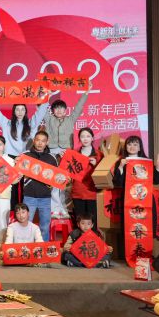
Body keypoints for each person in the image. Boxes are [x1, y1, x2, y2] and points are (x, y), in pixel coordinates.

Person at [43, 88, 91, 217]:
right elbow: (42, 107)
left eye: (61, 108)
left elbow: (78, 107)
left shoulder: (71, 119)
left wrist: (86, 93)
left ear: (65, 110)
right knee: (53, 181)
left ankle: (64, 208)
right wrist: (45, 95)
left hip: (67, 153)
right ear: (52, 110)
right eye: (56, 108)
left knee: (65, 181)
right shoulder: (49, 119)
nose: (59, 111)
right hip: (52, 152)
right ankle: (54, 208)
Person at [0, 102, 49, 208]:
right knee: (12, 185)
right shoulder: (7, 123)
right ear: (14, 111)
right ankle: (12, 210)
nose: (20, 112)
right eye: (17, 109)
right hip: (10, 158)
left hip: (26, 157)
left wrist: (46, 101)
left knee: (25, 185)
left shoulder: (31, 123)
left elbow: (40, 114)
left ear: (26, 111)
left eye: (22, 109)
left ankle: (24, 210)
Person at [21, 131, 58, 241]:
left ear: (47, 142)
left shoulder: (52, 158)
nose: (40, 143)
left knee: (45, 227)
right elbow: (17, 173)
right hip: (29, 196)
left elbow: (56, 178)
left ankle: (43, 248)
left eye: (43, 141)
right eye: (38, 140)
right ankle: (25, 247)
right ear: (34, 141)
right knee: (26, 225)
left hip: (45, 198)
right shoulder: (25, 155)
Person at [71, 128, 101, 225]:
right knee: (79, 221)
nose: (85, 139)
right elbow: (68, 171)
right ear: (79, 138)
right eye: (82, 136)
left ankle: (93, 235)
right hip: (78, 191)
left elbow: (103, 174)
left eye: (88, 136)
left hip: (92, 191)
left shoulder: (99, 154)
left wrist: (96, 165)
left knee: (92, 221)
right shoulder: (74, 153)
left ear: (92, 138)